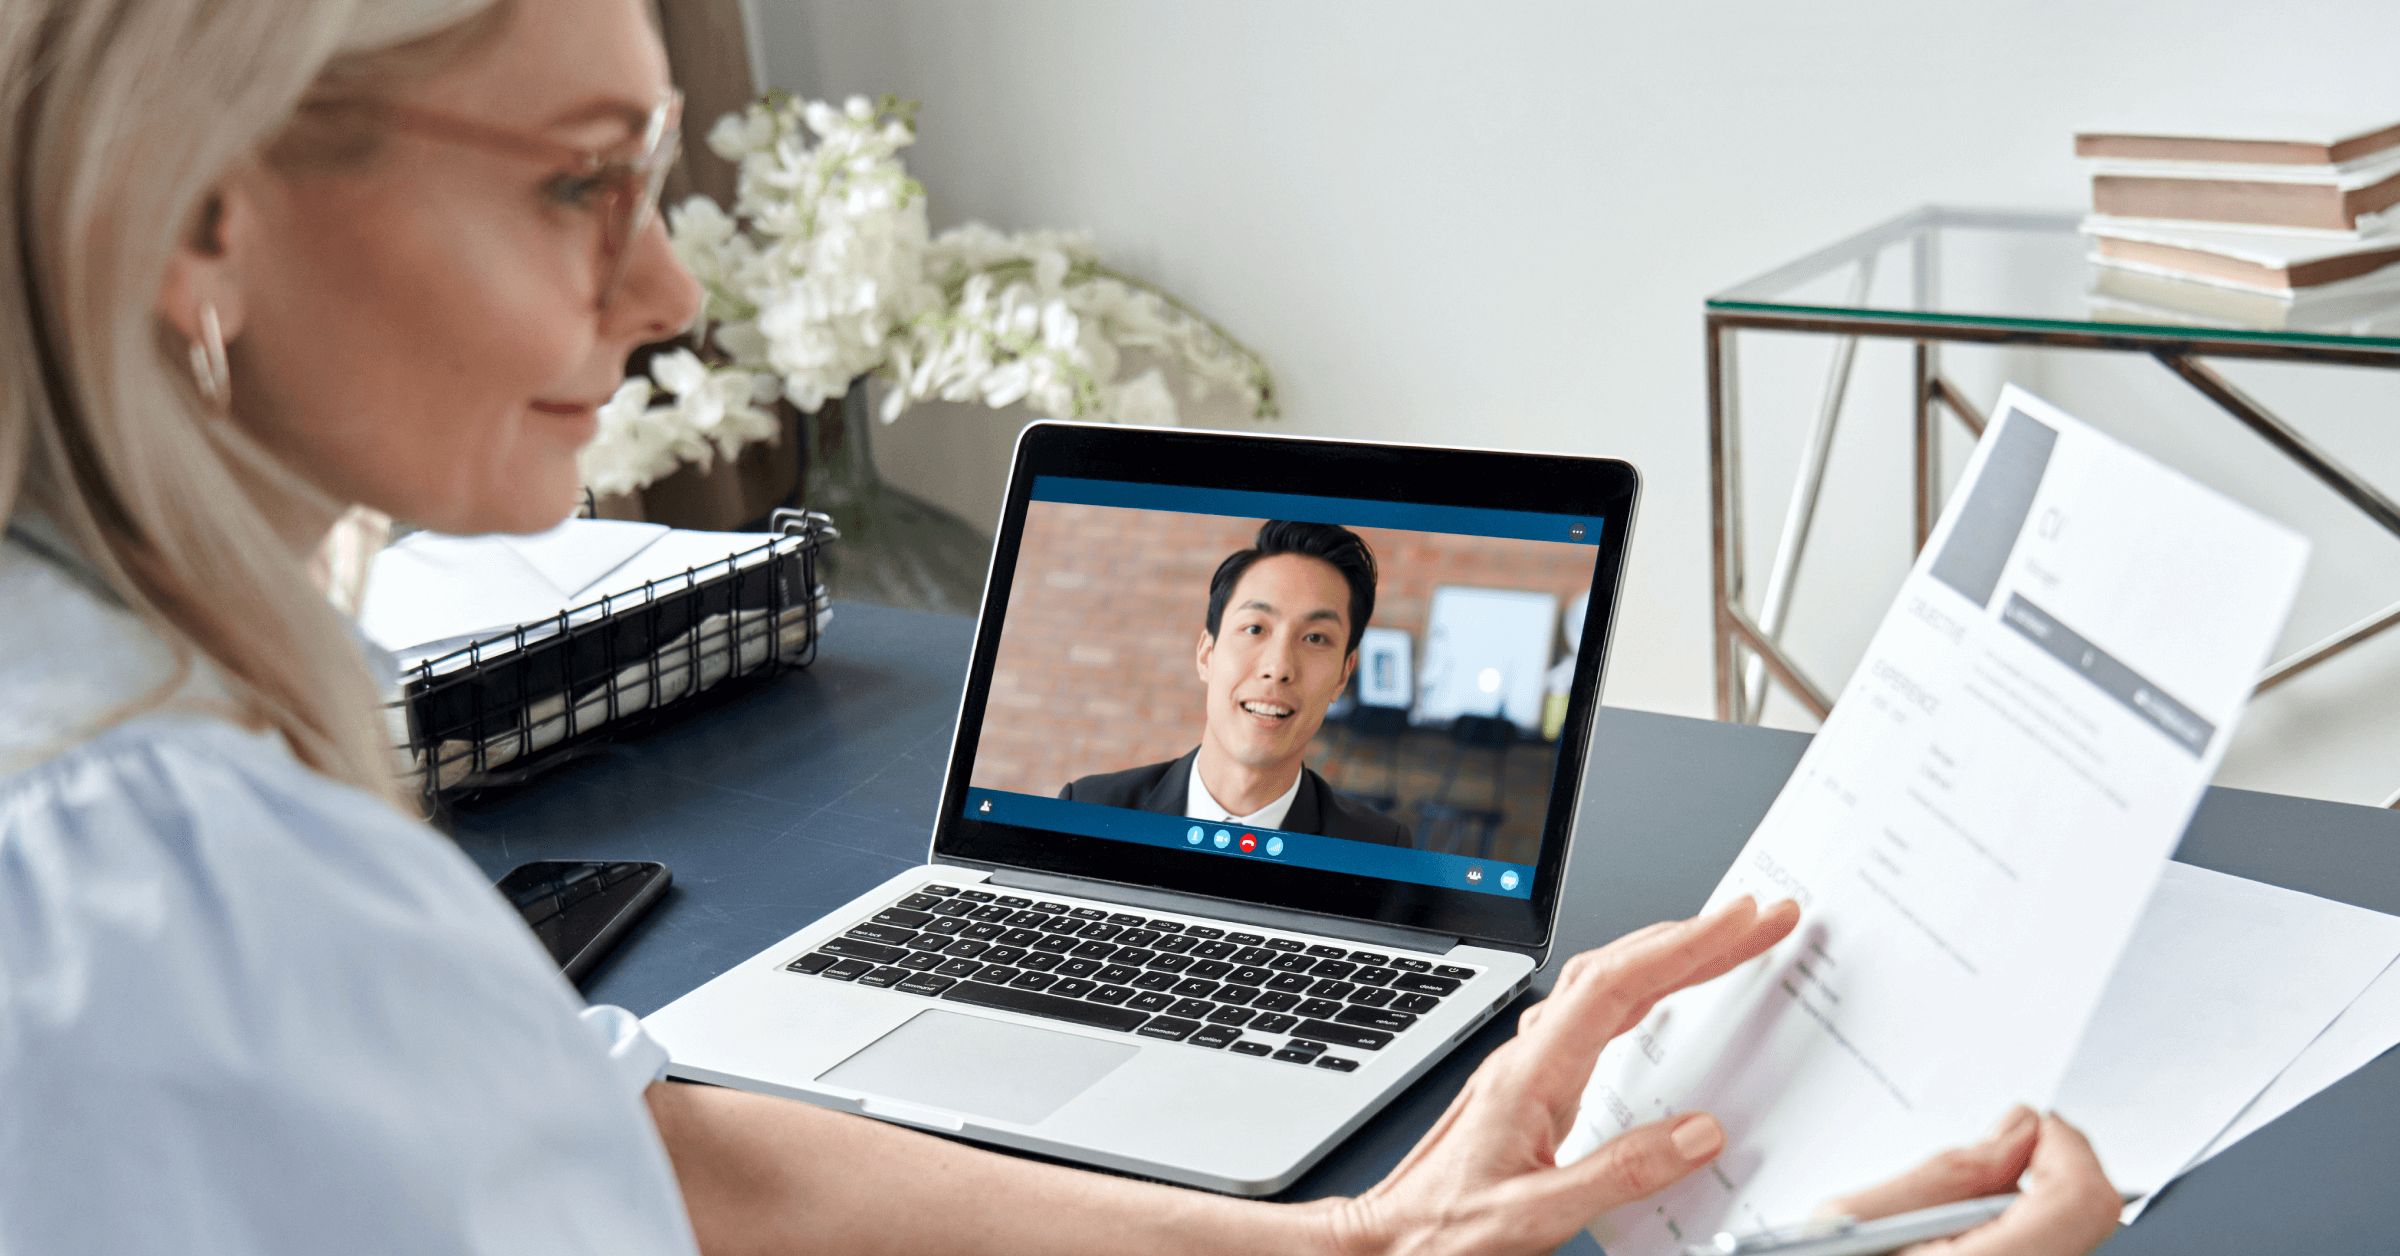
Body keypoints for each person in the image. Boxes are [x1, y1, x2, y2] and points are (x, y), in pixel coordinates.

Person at [0, 0, 2125, 1252]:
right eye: (581, 183)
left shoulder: (120, 726)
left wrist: (1345, 1237)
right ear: (203, 208)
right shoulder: (152, 884)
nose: (668, 298)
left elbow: (642, 1136)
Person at [1061, 520, 1416, 846]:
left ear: (1342, 675)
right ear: (1206, 654)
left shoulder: (1378, 850)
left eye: (1315, 638)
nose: (1278, 667)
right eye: (1254, 628)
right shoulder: (1089, 810)